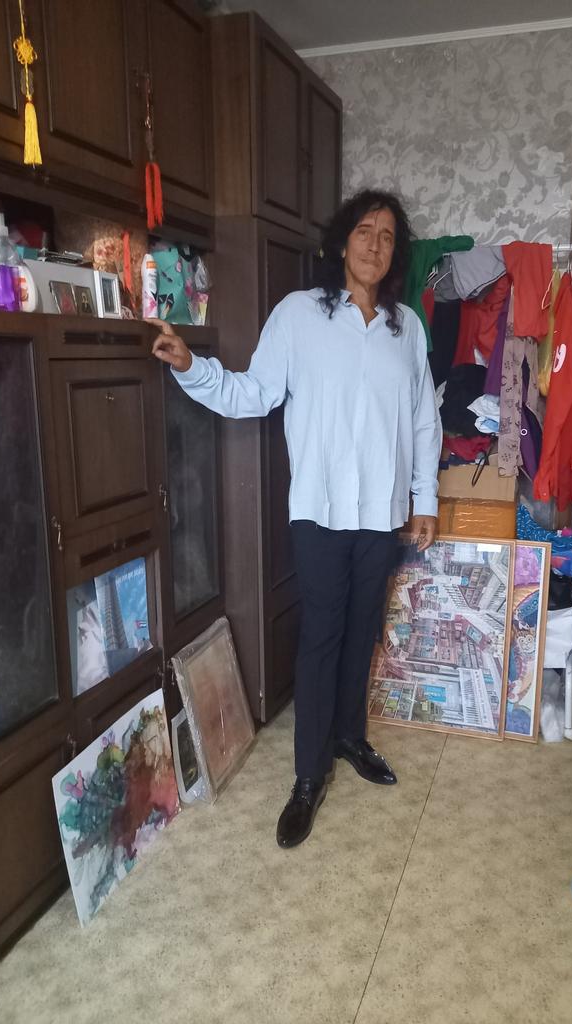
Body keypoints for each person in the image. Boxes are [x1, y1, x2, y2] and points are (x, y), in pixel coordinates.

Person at [150, 189, 442, 848]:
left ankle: (349, 738)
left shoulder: (407, 328)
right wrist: (192, 368)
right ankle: (308, 777)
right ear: (341, 242)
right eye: (364, 231)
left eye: (387, 236)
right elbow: (254, 393)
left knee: (362, 632)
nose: (374, 244)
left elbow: (423, 419)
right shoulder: (299, 315)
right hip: (320, 511)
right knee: (321, 639)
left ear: (395, 253)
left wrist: (424, 500)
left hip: (382, 514)